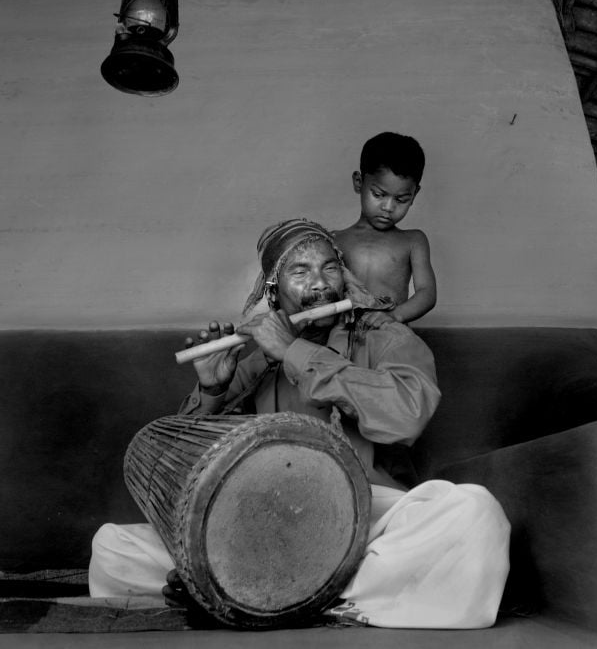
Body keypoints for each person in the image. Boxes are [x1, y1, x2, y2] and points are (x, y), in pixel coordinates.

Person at [89, 219, 510, 629]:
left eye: (330, 267)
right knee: (114, 549)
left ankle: (275, 599)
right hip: (264, 522)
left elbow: (406, 415)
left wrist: (296, 352)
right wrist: (213, 390)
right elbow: (184, 468)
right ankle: (299, 593)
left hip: (365, 509)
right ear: (273, 292)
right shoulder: (252, 362)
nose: (321, 284)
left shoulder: (384, 336)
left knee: (475, 514)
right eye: (300, 271)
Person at [334, 132, 437, 324]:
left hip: (389, 334)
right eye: (378, 194)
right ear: (359, 182)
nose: (388, 207)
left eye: (401, 199)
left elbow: (427, 293)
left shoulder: (413, 241)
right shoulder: (333, 239)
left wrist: (393, 316)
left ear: (414, 194)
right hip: (340, 334)